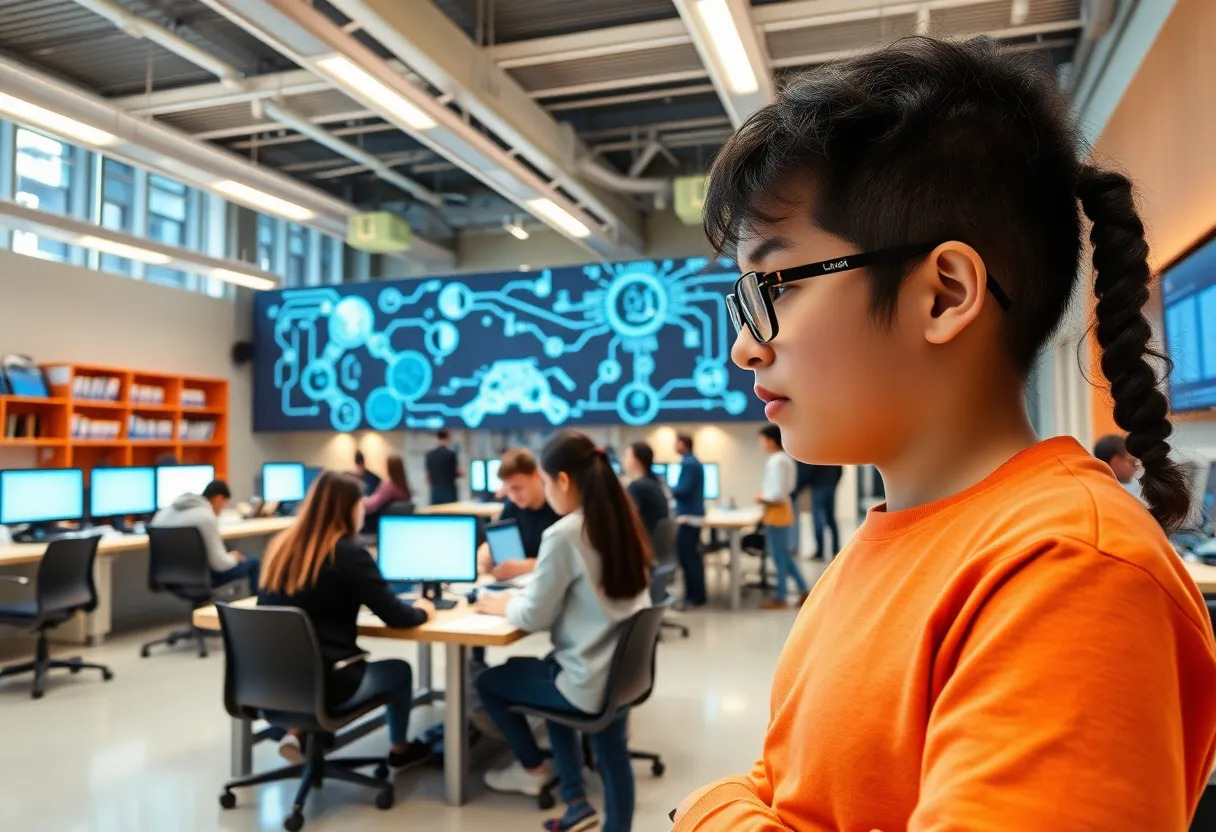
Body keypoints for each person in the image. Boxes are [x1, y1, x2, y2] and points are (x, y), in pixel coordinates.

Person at [673, 36, 1216, 831]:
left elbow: (756, 799)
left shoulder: (1070, 573)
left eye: (774, 287)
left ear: (944, 294)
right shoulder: (887, 547)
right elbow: (793, 782)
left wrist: (706, 811)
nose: (745, 345)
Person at [474, 430, 651, 832]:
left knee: (489, 682)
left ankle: (533, 769)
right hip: (617, 676)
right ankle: (582, 807)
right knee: (605, 747)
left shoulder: (565, 533)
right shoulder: (623, 524)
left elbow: (534, 615)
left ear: (563, 480)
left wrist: (505, 605)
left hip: (586, 678)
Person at [258, 471, 434, 769]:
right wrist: (423, 610)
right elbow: (396, 616)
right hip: (330, 683)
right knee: (400, 671)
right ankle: (400, 749)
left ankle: (298, 729)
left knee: (311, 661)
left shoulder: (281, 548)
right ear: (349, 508)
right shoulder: (349, 554)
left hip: (268, 685)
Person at [151, 480, 259, 589]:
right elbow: (219, 564)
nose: (222, 510)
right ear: (219, 499)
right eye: (224, 505)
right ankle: (259, 605)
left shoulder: (161, 514)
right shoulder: (206, 516)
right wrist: (233, 557)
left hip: (166, 575)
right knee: (253, 562)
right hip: (200, 578)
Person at [476, 448, 560, 582]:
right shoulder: (512, 507)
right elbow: (498, 542)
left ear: (535, 476)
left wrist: (527, 566)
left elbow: (564, 562)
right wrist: (485, 554)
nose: (513, 496)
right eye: (508, 490)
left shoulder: (558, 507)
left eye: (518, 488)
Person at [757, 425, 808, 609]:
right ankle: (803, 589)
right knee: (782, 554)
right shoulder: (784, 459)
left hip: (776, 510)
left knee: (779, 556)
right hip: (781, 509)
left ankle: (781, 596)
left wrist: (761, 497)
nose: (761, 444)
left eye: (762, 440)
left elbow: (776, 492)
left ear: (771, 440)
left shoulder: (777, 461)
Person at [669, 433, 706, 609]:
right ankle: (697, 595)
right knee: (693, 557)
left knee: (688, 559)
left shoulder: (688, 464)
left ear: (683, 444)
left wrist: (668, 489)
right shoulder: (694, 462)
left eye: (676, 443)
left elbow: (683, 490)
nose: (674, 446)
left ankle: (694, 598)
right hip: (693, 516)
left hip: (688, 517)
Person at [793, 462, 843, 560]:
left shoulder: (817, 450)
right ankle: (836, 551)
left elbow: (808, 468)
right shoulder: (834, 450)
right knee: (831, 519)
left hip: (818, 485)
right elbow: (839, 469)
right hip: (830, 485)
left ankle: (820, 552)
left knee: (818, 520)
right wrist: (834, 483)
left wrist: (799, 487)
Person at [623, 441, 669, 540]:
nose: (624, 460)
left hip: (644, 543)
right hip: (656, 545)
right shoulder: (655, 483)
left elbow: (626, 518)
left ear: (637, 460)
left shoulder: (637, 487)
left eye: (627, 456)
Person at [362, 453, 411, 530]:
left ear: (389, 468)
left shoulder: (389, 486)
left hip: (377, 526)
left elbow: (371, 506)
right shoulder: (403, 485)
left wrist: (359, 500)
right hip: (396, 526)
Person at [1094, 434, 1143, 501]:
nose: (1136, 467)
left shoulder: (1090, 488)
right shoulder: (1110, 498)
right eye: (1133, 462)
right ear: (1115, 462)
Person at [425, 429, 461, 505]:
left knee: (436, 514)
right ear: (448, 438)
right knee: (450, 514)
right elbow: (457, 472)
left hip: (436, 490)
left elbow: (427, 476)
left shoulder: (430, 455)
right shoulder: (451, 454)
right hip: (449, 490)